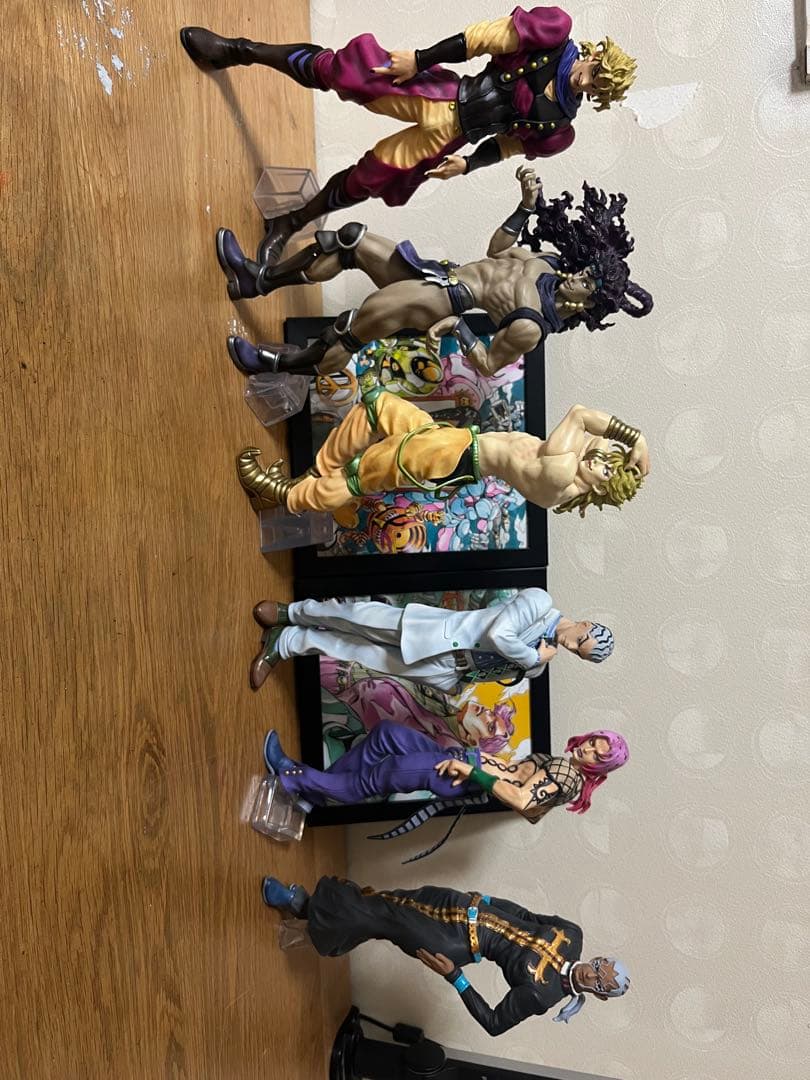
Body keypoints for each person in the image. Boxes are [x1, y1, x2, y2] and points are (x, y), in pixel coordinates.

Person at [179, 9, 637, 264]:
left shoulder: (560, 128)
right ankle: (240, 50)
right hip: (439, 92)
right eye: (593, 72)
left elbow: (507, 145)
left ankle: (290, 223)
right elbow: (479, 39)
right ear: (594, 55)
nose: (585, 82)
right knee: (346, 72)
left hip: (452, 138)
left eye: (595, 88)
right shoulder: (554, 34)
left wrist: (468, 164)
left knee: (371, 179)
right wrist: (420, 59)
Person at [219, 168, 652, 377]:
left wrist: (457, 328)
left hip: (443, 301)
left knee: (355, 326)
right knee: (349, 240)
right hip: (439, 273)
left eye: (587, 283)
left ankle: (274, 365)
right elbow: (497, 250)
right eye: (585, 271)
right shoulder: (549, 264)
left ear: (588, 304)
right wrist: (524, 207)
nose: (577, 278)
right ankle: (257, 281)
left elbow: (487, 364)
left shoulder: (531, 327)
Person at [261, 875, 631, 1036]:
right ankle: (316, 914)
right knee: (387, 902)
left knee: (381, 917)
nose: (592, 974)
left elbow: (494, 1023)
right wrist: (487, 900)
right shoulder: (572, 935)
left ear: (598, 994)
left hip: (455, 942)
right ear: (599, 957)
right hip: (461, 905)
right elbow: (526, 915)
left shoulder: (542, 995)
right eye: (600, 967)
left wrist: (455, 976)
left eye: (600, 983)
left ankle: (301, 903)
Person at [236, 389, 649, 520]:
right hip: (457, 445)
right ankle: (312, 475)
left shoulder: (562, 470)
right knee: (378, 406)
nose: (596, 462)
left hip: (453, 455)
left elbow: (581, 415)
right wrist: (622, 451)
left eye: (604, 472)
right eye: (604, 460)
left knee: (361, 475)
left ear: (600, 490)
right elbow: (594, 443)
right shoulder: (571, 484)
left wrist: (635, 437)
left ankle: (283, 496)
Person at [261, 723, 628, 859]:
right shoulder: (564, 768)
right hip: (459, 760)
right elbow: (523, 789)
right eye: (595, 742)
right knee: (387, 734)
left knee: (383, 774)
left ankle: (293, 776)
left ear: (601, 766)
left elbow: (521, 800)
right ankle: (315, 793)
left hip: (457, 775)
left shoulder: (567, 775)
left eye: (599, 754)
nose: (589, 749)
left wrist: (472, 771)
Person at [246, 590, 614, 693]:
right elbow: (498, 634)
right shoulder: (540, 604)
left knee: (360, 653)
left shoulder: (539, 662)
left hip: (447, 668)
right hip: (438, 633)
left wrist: (535, 662)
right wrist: (533, 656)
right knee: (360, 618)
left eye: (577, 653)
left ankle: (287, 642)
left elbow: (503, 673)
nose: (570, 647)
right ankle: (292, 612)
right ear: (584, 623)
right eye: (578, 640)